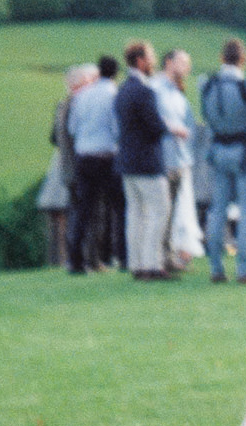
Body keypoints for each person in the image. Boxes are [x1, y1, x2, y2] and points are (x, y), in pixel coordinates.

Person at [201, 38, 246, 284]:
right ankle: (244, 269)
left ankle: (216, 267)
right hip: (243, 152)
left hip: (218, 150)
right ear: (243, 59)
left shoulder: (207, 86)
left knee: (217, 210)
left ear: (221, 58)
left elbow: (207, 120)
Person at [115, 40, 172, 280]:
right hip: (147, 162)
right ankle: (151, 264)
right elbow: (154, 126)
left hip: (127, 160)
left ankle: (137, 264)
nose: (154, 61)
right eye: (150, 57)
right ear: (140, 61)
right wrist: (171, 128)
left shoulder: (122, 89)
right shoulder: (145, 91)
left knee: (135, 214)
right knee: (159, 210)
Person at [66, 55, 124, 274]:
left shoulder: (82, 96)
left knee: (83, 209)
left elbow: (72, 129)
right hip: (107, 156)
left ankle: (75, 260)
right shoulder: (113, 95)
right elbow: (117, 129)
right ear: (116, 73)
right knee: (118, 208)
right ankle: (122, 256)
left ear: (99, 72)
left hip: (84, 157)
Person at [38, 62, 98, 266]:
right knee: (86, 215)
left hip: (66, 169)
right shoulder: (78, 105)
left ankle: (78, 259)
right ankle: (86, 259)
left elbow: (54, 138)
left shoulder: (62, 106)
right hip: (81, 168)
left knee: (77, 214)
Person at [152, 48, 200, 271]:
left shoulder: (177, 92)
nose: (187, 67)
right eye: (183, 61)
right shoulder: (156, 88)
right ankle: (160, 257)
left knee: (178, 210)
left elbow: (189, 124)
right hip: (163, 159)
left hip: (180, 159)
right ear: (168, 62)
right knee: (164, 211)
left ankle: (173, 255)